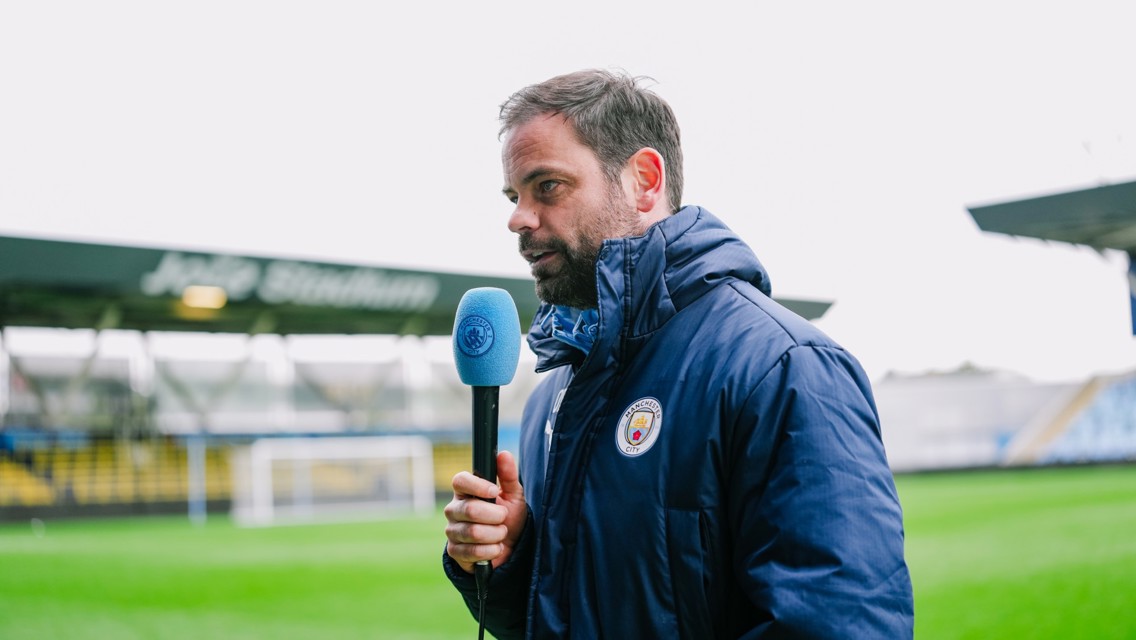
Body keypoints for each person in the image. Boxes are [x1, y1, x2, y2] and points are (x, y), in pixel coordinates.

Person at [442, 69, 914, 639]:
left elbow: (840, 626)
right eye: (514, 195)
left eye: (548, 186)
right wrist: (514, 562)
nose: (518, 216)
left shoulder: (783, 367)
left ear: (643, 180)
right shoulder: (554, 396)